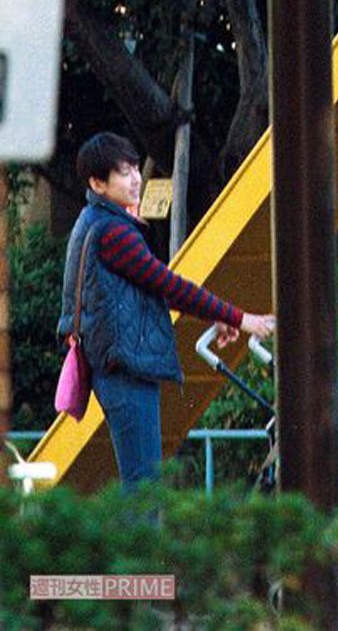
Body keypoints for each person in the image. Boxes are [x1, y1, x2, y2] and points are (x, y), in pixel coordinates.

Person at [57, 132, 275, 489]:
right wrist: (240, 318)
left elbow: (156, 288)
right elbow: (168, 285)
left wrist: (218, 316)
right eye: (123, 173)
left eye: (133, 168)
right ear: (97, 183)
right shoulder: (112, 232)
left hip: (114, 364)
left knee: (141, 483)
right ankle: (144, 547)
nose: (135, 179)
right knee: (144, 486)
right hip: (124, 367)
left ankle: (140, 545)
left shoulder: (92, 221)